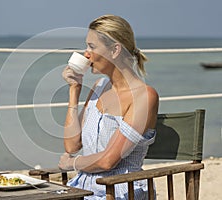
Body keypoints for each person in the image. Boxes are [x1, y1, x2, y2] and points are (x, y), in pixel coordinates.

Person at [58, 15, 159, 200]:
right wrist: (74, 90)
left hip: (119, 191)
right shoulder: (99, 87)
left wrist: (72, 164)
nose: (86, 53)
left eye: (92, 46)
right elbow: (72, 145)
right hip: (85, 189)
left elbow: (108, 161)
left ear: (115, 50)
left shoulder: (144, 96)